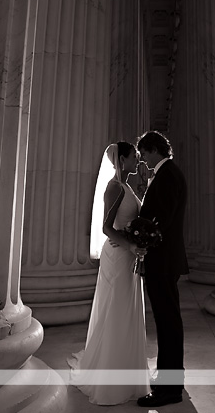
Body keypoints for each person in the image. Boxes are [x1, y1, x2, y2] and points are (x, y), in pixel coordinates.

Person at [67, 142, 151, 405]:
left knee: (128, 309)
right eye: (134, 157)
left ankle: (129, 369)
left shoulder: (127, 186)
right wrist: (131, 244)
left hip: (128, 253)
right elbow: (106, 227)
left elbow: (132, 219)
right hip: (118, 256)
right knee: (116, 308)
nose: (137, 161)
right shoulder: (114, 187)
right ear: (121, 159)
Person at [135, 131, 188, 408]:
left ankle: (170, 389)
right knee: (168, 321)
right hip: (166, 259)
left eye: (143, 152)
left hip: (163, 260)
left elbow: (161, 221)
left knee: (167, 323)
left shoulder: (167, 175)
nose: (141, 158)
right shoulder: (168, 173)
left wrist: (139, 238)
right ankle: (170, 380)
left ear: (154, 149)